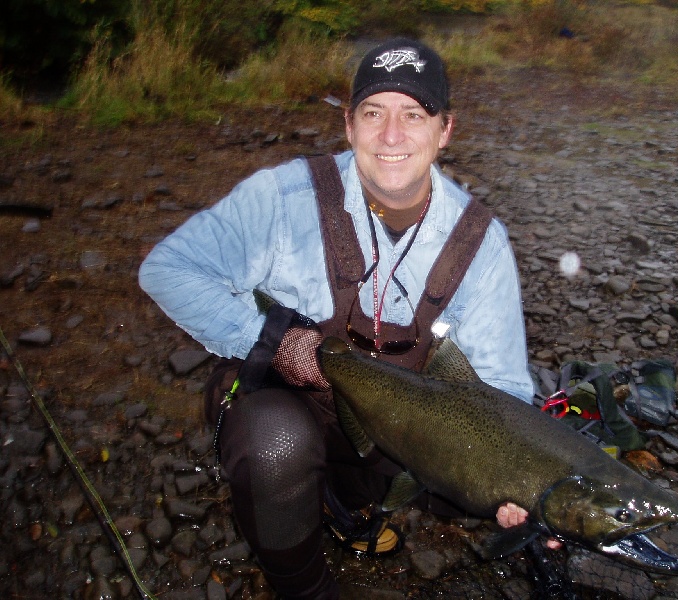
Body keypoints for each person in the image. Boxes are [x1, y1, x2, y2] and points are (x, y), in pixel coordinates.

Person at [139, 38, 538, 600]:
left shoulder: (482, 245)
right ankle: (304, 585)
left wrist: (521, 480)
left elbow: (503, 389)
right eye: (374, 114)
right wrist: (273, 341)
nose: (391, 136)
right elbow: (168, 268)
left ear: (445, 130)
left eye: (414, 115)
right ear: (349, 125)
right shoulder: (281, 197)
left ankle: (346, 500)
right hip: (287, 404)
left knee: (482, 491)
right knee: (274, 445)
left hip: (399, 428)